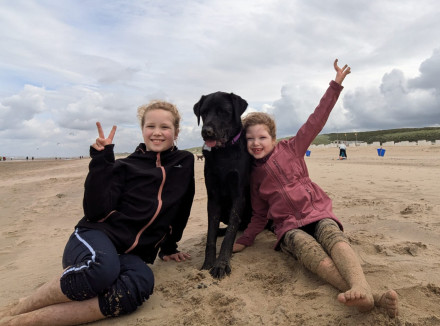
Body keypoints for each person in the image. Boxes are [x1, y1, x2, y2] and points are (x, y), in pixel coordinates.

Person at [0, 101, 195, 325]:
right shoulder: (125, 166)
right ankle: (19, 308)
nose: (157, 133)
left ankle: (22, 322)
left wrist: (169, 246)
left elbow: (183, 207)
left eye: (165, 127)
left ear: (177, 132)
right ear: (142, 130)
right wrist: (101, 161)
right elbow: (94, 211)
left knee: (139, 285)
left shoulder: (185, 162)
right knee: (102, 270)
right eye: (151, 126)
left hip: (131, 256)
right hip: (93, 237)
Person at [232, 60, 398, 318]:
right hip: (288, 226)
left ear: (273, 139)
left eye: (262, 137)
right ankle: (369, 297)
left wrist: (335, 85)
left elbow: (317, 119)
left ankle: (361, 287)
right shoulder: (253, 176)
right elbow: (259, 214)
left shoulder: (293, 148)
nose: (255, 143)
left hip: (317, 212)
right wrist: (244, 240)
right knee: (305, 248)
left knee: (332, 237)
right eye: (250, 139)